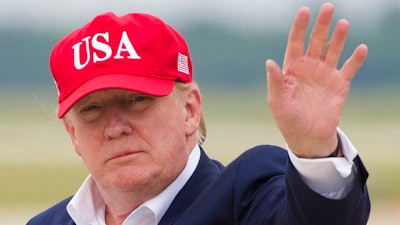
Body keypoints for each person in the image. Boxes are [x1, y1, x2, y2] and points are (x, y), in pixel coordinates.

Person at [27, 2, 370, 225]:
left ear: (190, 110)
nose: (115, 127)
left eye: (137, 100)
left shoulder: (246, 200)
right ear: (72, 134)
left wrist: (315, 151)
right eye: (92, 109)